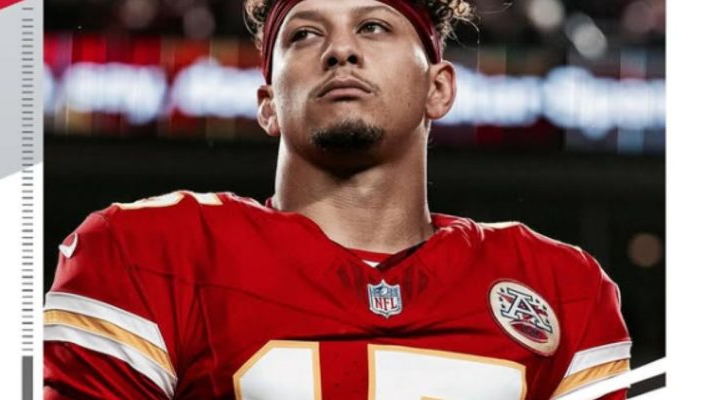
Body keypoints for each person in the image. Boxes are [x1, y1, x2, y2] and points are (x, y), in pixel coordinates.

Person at [43, 0, 631, 398]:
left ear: (438, 87)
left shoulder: (562, 288)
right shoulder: (146, 251)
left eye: (373, 27)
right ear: (267, 104)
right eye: (304, 34)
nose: (340, 50)